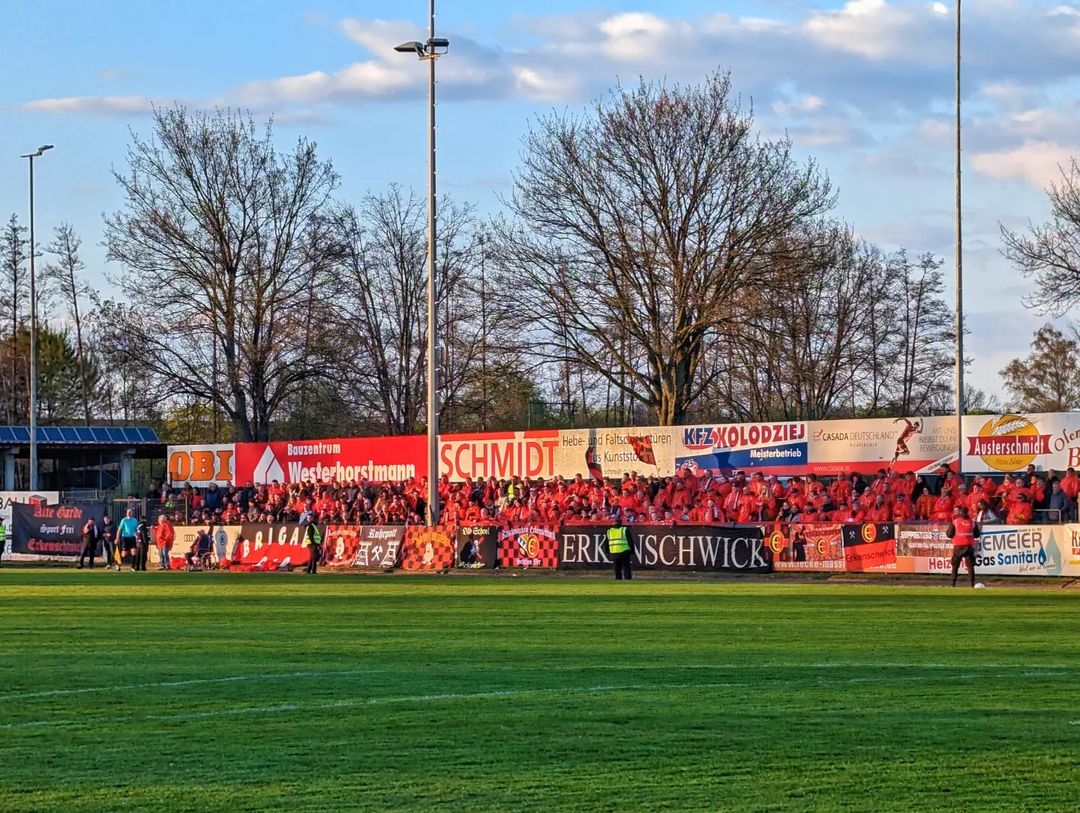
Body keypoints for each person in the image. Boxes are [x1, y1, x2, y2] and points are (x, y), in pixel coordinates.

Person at [946, 505, 980, 588]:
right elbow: (977, 535)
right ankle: (972, 584)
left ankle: (952, 584)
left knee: (955, 566)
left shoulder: (956, 521)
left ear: (960, 512)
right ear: (967, 512)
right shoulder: (972, 522)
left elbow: (949, 534)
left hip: (958, 546)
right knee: (970, 566)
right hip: (969, 546)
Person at [606, 514, 632, 580]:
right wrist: (632, 550)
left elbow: (606, 542)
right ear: (621, 522)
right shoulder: (624, 529)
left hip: (614, 551)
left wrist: (607, 551)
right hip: (625, 551)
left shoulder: (609, 531)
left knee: (617, 567)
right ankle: (627, 579)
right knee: (626, 566)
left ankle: (618, 579)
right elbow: (630, 540)